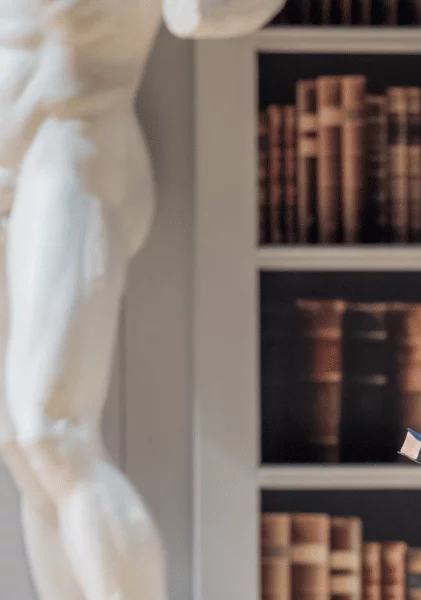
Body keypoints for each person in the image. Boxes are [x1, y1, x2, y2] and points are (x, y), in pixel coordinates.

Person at [0, 0, 282, 596]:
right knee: (21, 450)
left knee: (52, 432)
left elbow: (208, 14)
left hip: (73, 146)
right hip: (10, 175)